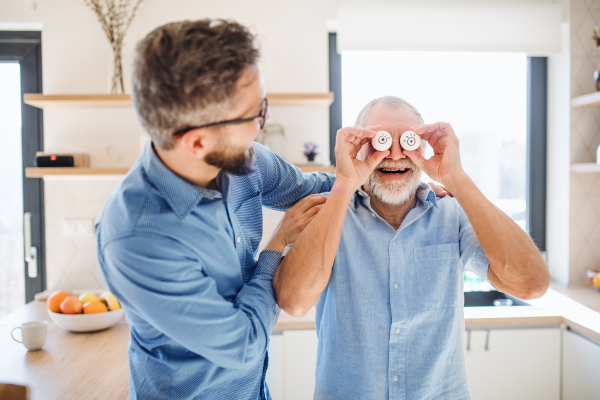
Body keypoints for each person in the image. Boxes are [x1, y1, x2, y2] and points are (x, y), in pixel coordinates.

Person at [94, 19, 341, 400]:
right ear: (196, 143)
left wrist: (374, 178)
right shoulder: (136, 238)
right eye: (256, 115)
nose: (266, 120)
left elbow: (310, 189)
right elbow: (243, 345)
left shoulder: (243, 160)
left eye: (263, 104)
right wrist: (275, 248)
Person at [272, 96, 551, 399]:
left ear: (422, 147)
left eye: (407, 141)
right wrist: (344, 183)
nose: (393, 154)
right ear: (361, 147)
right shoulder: (331, 213)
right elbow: (294, 302)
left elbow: (531, 284)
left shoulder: (451, 213)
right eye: (379, 141)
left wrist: (456, 178)